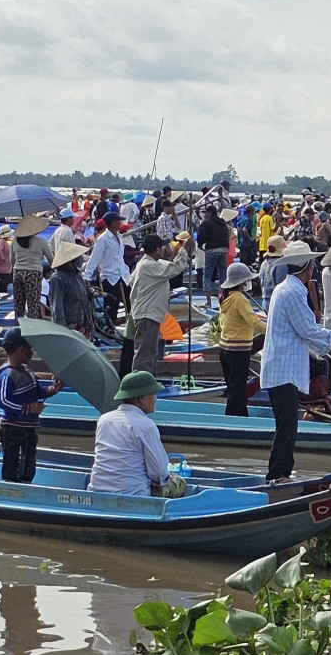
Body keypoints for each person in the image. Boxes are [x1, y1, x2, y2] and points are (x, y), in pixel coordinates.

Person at [258, 242, 331, 482]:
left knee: (287, 425)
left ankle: (283, 472)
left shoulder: (283, 289)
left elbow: (303, 332)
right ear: (308, 267)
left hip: (281, 367)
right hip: (283, 369)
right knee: (287, 426)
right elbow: (307, 329)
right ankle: (278, 475)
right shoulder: (293, 292)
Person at [89, 370, 172, 496]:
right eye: (153, 394)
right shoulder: (146, 425)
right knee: (179, 484)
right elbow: (159, 473)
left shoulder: (104, 420)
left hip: (96, 491)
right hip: (134, 496)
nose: (155, 399)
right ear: (142, 398)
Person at [0, 331, 61, 483]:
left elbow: (38, 392)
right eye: (29, 349)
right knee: (14, 467)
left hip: (29, 428)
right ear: (19, 349)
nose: (31, 352)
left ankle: (25, 487)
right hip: (13, 429)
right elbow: (2, 401)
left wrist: (52, 389)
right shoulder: (8, 375)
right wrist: (28, 409)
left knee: (28, 466)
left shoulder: (27, 372)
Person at [126, 233, 192, 375]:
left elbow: (172, 267)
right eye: (162, 247)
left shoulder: (145, 264)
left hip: (149, 314)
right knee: (145, 354)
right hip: (147, 315)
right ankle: (141, 387)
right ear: (156, 250)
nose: (164, 250)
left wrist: (180, 253)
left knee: (150, 352)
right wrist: (184, 250)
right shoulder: (148, 266)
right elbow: (174, 269)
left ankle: (148, 382)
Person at [217, 261, 262, 417]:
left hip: (224, 349)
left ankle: (234, 415)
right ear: (242, 282)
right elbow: (253, 321)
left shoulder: (225, 297)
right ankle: (238, 417)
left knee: (233, 387)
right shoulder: (239, 298)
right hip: (238, 350)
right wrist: (272, 330)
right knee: (238, 388)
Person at [49, 237, 94, 335]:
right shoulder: (58, 278)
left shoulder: (77, 276)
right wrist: (62, 330)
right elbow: (57, 307)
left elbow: (85, 300)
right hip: (69, 327)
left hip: (82, 325)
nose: (80, 259)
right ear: (70, 260)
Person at [10, 216, 49, 319]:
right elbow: (52, 259)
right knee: (33, 306)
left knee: (19, 306)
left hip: (17, 272)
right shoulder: (41, 242)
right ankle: (32, 329)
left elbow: (12, 261)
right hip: (34, 274)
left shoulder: (15, 242)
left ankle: (19, 328)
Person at [196, 205, 231, 302]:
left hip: (211, 250)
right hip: (223, 250)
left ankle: (208, 301)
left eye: (206, 212)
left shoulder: (206, 223)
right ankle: (223, 298)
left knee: (207, 275)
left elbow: (201, 238)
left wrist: (200, 244)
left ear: (210, 212)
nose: (204, 215)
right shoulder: (223, 223)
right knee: (223, 274)